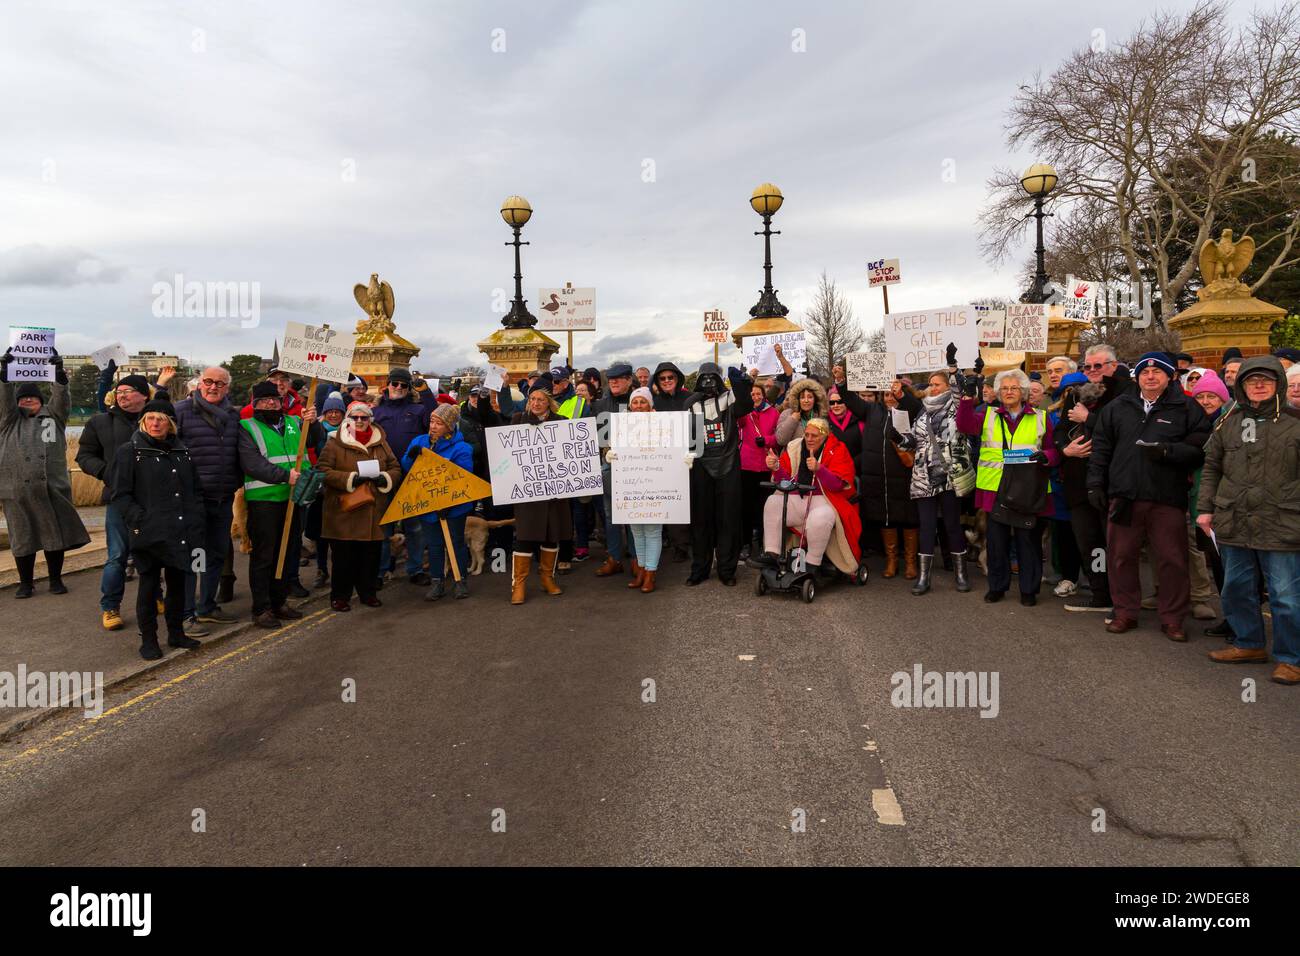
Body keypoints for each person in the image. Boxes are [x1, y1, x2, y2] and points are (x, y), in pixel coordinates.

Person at [1088, 352, 1210, 639]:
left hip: (1166, 496)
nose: (1150, 376)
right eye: (1144, 372)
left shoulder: (1186, 407)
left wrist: (1169, 451)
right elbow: (1101, 449)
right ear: (1137, 377)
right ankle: (1125, 612)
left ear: (1170, 377)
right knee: (1120, 557)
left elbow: (1202, 444)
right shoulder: (1118, 407)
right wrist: (1095, 484)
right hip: (1125, 495)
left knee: (1172, 559)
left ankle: (1172, 618)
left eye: (1157, 372)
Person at [1197, 357, 1300, 684]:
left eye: (1266, 380)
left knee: (1285, 595)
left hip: (1282, 520)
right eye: (1251, 380)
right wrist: (1205, 508)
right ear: (1240, 385)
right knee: (1236, 588)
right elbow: (1212, 467)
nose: (1258, 385)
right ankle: (1249, 643)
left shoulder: (1295, 423)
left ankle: (1291, 658)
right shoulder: (1229, 420)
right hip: (1234, 519)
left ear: (1278, 384)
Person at [111, 399, 205, 660]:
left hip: (181, 531)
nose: (155, 423)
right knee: (149, 587)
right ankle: (149, 640)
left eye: (161, 419)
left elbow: (194, 492)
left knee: (178, 585)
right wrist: (140, 520)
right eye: (150, 418)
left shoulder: (182, 451)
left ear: (171, 424)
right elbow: (120, 495)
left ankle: (176, 633)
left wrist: (195, 521)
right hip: (149, 533)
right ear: (143, 421)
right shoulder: (130, 451)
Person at [957, 368, 1059, 605]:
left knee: (1028, 543)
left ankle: (1028, 590)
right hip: (995, 489)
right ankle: (997, 586)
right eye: (1004, 388)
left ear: (1023, 392)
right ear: (998, 392)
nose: (1009, 392)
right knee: (996, 544)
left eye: (1014, 388)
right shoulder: (988, 415)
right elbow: (964, 425)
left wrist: (1048, 457)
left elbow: (1054, 450)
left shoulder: (1042, 417)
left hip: (1029, 489)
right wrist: (965, 399)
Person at [0, 349, 90, 598]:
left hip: (51, 488)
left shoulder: (54, 416)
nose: (27, 400)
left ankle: (55, 580)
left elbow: (61, 397)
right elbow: (4, 397)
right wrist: (5, 374)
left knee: (54, 537)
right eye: (23, 398)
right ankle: (25, 583)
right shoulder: (8, 420)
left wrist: (59, 373)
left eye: (33, 398)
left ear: (41, 401)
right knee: (22, 539)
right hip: (16, 491)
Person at [1055, 344, 1130, 614]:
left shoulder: (1126, 393)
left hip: (1111, 483)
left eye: (1098, 366)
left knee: (1116, 544)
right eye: (1087, 366)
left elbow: (1125, 431)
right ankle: (1100, 594)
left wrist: (1091, 418)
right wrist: (1066, 448)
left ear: (1113, 365)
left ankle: (1121, 599)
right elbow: (1060, 430)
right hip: (1078, 484)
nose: (1092, 371)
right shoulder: (1076, 395)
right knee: (1090, 543)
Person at [77, 372, 154, 630]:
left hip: (154, 500)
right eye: (119, 391)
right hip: (119, 500)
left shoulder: (156, 420)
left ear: (144, 395)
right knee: (117, 556)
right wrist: (107, 472)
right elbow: (84, 456)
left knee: (154, 553)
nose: (122, 395)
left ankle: (157, 596)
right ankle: (110, 606)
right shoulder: (100, 422)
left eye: (129, 390)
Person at [173, 366, 243, 635]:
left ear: (227, 387)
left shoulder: (234, 416)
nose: (214, 387)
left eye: (220, 383)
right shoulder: (181, 411)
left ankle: (207, 606)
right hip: (193, 499)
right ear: (199, 384)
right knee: (194, 556)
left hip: (223, 497)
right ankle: (186, 613)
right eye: (209, 382)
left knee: (216, 554)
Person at [318, 401, 401, 611]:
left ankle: (368, 593)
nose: (360, 421)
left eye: (364, 417)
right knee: (343, 558)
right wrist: (350, 478)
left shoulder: (381, 442)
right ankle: (340, 596)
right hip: (343, 509)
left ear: (370, 419)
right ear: (348, 419)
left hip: (373, 508)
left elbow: (395, 467)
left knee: (370, 556)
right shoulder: (334, 442)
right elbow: (323, 470)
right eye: (355, 417)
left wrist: (385, 478)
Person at [753, 417, 861, 576]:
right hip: (798, 497)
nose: (809, 439)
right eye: (807, 434)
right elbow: (786, 481)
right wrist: (776, 467)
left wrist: (819, 469)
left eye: (814, 436)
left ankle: (812, 562)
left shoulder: (838, 449)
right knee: (773, 502)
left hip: (826, 501)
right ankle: (772, 553)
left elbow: (839, 485)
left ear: (824, 436)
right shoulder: (794, 446)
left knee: (820, 517)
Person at [899, 370, 975, 595]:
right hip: (924, 477)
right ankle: (924, 577)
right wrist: (899, 439)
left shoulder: (955, 407)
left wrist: (953, 368)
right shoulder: (922, 412)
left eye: (938, 384)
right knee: (927, 527)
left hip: (950, 476)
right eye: (931, 384)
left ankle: (961, 574)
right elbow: (915, 442)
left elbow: (959, 388)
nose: (933, 388)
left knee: (952, 525)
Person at [238, 381, 307, 627]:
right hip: (264, 501)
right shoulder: (247, 427)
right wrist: (284, 476)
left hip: (293, 499)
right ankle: (261, 608)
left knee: (287, 555)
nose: (271, 403)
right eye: (265, 400)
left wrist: (314, 421)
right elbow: (252, 463)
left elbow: (310, 446)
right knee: (264, 557)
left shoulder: (295, 423)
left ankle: (279, 602)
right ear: (255, 404)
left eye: (275, 399)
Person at [842, 380, 922, 578]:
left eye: (893, 395)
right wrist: (840, 382)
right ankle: (891, 560)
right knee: (886, 518)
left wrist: (901, 395)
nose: (890, 398)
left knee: (909, 517)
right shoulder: (871, 411)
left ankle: (911, 563)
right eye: (886, 395)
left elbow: (917, 406)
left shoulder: (909, 410)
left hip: (904, 474)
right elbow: (850, 399)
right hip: (878, 476)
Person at [684, 363, 754, 587]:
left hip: (728, 463)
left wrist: (740, 383)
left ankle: (726, 569)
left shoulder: (728, 398)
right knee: (701, 520)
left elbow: (745, 405)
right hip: (701, 465)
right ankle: (700, 568)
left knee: (728, 518)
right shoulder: (690, 403)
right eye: (704, 378)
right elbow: (681, 432)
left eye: (712, 378)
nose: (708, 383)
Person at [604, 386, 676, 593]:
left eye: (642, 401)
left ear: (650, 404)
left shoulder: (664, 424)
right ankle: (642, 571)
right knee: (636, 530)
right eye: (635, 402)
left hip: (655, 483)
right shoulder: (621, 425)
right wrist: (610, 455)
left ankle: (651, 574)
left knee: (653, 531)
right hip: (631, 484)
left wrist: (682, 460)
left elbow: (671, 448)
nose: (638, 405)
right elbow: (612, 448)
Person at [402, 403, 474, 601]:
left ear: (449, 426)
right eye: (432, 421)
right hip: (428, 504)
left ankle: (461, 581)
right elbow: (408, 469)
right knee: (434, 545)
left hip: (454, 507)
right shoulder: (419, 441)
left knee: (456, 541)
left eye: (439, 423)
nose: (433, 426)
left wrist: (449, 503)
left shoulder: (461, 448)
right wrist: (410, 457)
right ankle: (437, 582)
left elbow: (464, 477)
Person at [509, 387, 573, 604]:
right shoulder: (518, 420)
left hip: (555, 490)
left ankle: (547, 577)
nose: (536, 403)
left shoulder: (561, 421)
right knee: (525, 536)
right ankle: (519, 583)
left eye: (540, 400)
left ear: (549, 403)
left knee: (552, 534)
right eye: (533, 399)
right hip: (528, 489)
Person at [372, 367, 429, 586]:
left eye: (403, 385)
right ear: (387, 384)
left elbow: (434, 420)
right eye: (395, 383)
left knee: (414, 527)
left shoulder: (418, 410)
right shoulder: (375, 412)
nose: (398, 388)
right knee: (383, 526)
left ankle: (414, 569)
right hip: (383, 477)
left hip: (411, 477)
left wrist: (423, 390)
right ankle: (381, 570)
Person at [590, 362, 638, 578]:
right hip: (609, 463)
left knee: (635, 515)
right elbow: (593, 434)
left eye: (619, 378)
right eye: (611, 379)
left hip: (638, 465)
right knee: (610, 516)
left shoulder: (639, 401)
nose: (614, 382)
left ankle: (638, 560)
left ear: (629, 379)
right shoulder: (600, 405)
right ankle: (615, 558)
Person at [305, 392, 347, 589]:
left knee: (341, 533)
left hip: (342, 485)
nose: (333, 415)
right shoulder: (317, 428)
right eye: (329, 411)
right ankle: (322, 569)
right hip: (320, 487)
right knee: (321, 533)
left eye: (337, 411)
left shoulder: (350, 429)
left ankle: (342, 571)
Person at [739, 380, 781, 559]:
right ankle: (746, 543)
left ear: (763, 396)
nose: (755, 397)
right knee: (746, 507)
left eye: (758, 394)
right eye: (752, 395)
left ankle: (766, 543)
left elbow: (778, 436)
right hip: (747, 464)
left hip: (766, 464)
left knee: (765, 507)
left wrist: (767, 440)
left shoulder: (773, 413)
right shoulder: (745, 413)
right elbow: (738, 423)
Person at [775, 378, 828, 451]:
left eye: (810, 397)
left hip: (814, 459)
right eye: (802, 397)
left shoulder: (820, 416)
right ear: (797, 399)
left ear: (815, 399)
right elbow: (781, 441)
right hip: (792, 459)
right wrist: (792, 420)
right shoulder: (787, 414)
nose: (806, 401)